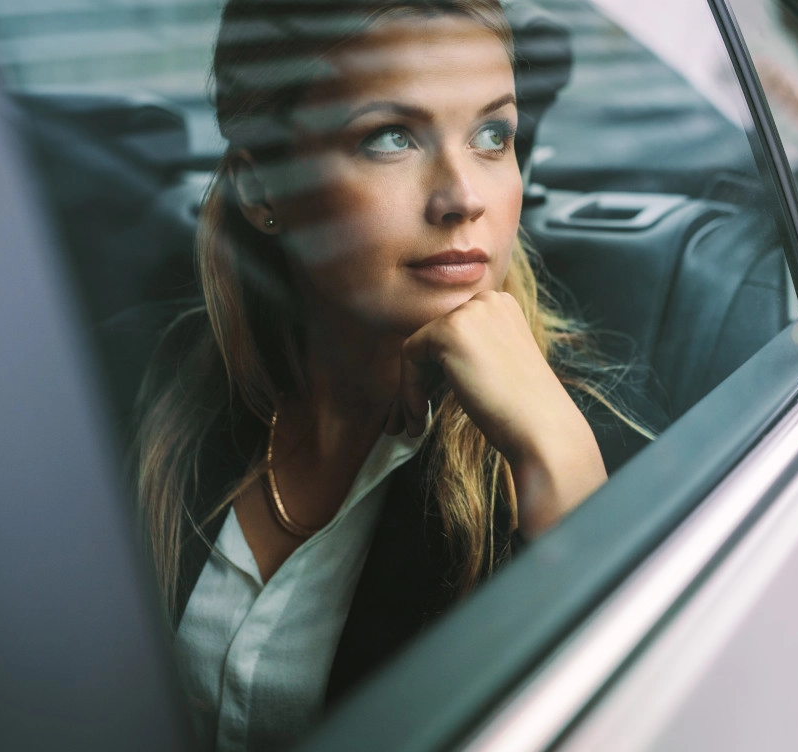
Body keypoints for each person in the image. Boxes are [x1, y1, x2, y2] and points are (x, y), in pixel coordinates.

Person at [133, 1, 654, 749]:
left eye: (493, 136)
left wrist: (559, 467)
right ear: (262, 188)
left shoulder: (609, 444)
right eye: (390, 137)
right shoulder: (159, 387)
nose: (463, 198)